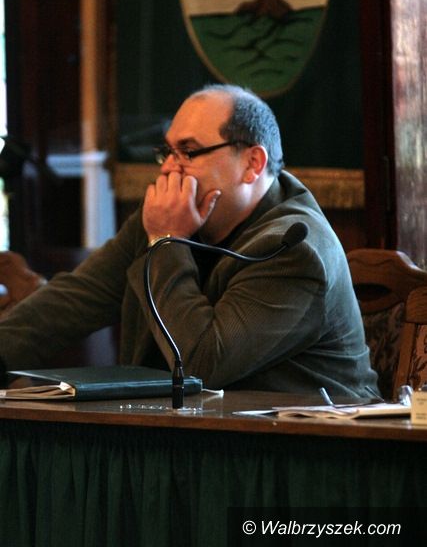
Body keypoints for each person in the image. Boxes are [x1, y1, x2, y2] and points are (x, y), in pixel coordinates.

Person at [0, 84, 379, 396]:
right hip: (198, 438)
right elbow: (74, 300)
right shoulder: (165, 219)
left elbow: (200, 365)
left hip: (313, 446)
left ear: (252, 164)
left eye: (189, 151)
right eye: (167, 151)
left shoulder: (293, 248)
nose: (168, 167)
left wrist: (167, 239)